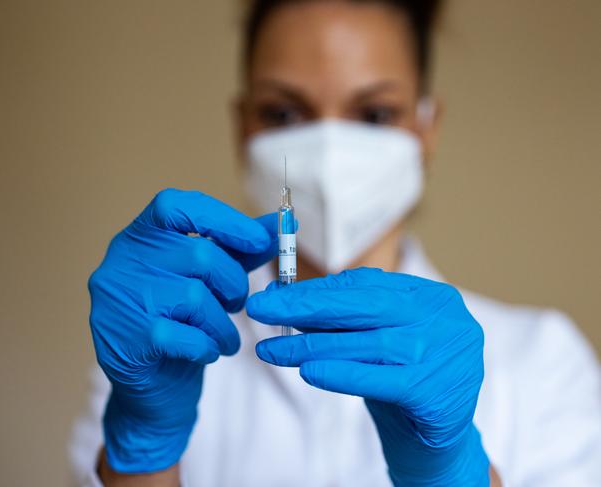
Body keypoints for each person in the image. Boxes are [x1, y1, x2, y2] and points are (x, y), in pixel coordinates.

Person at [70, 1, 601, 486]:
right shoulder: (160, 347)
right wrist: (143, 449)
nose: (327, 159)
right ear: (242, 128)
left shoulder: (543, 362)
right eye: (283, 114)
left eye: (373, 115)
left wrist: (454, 473)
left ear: (427, 130)